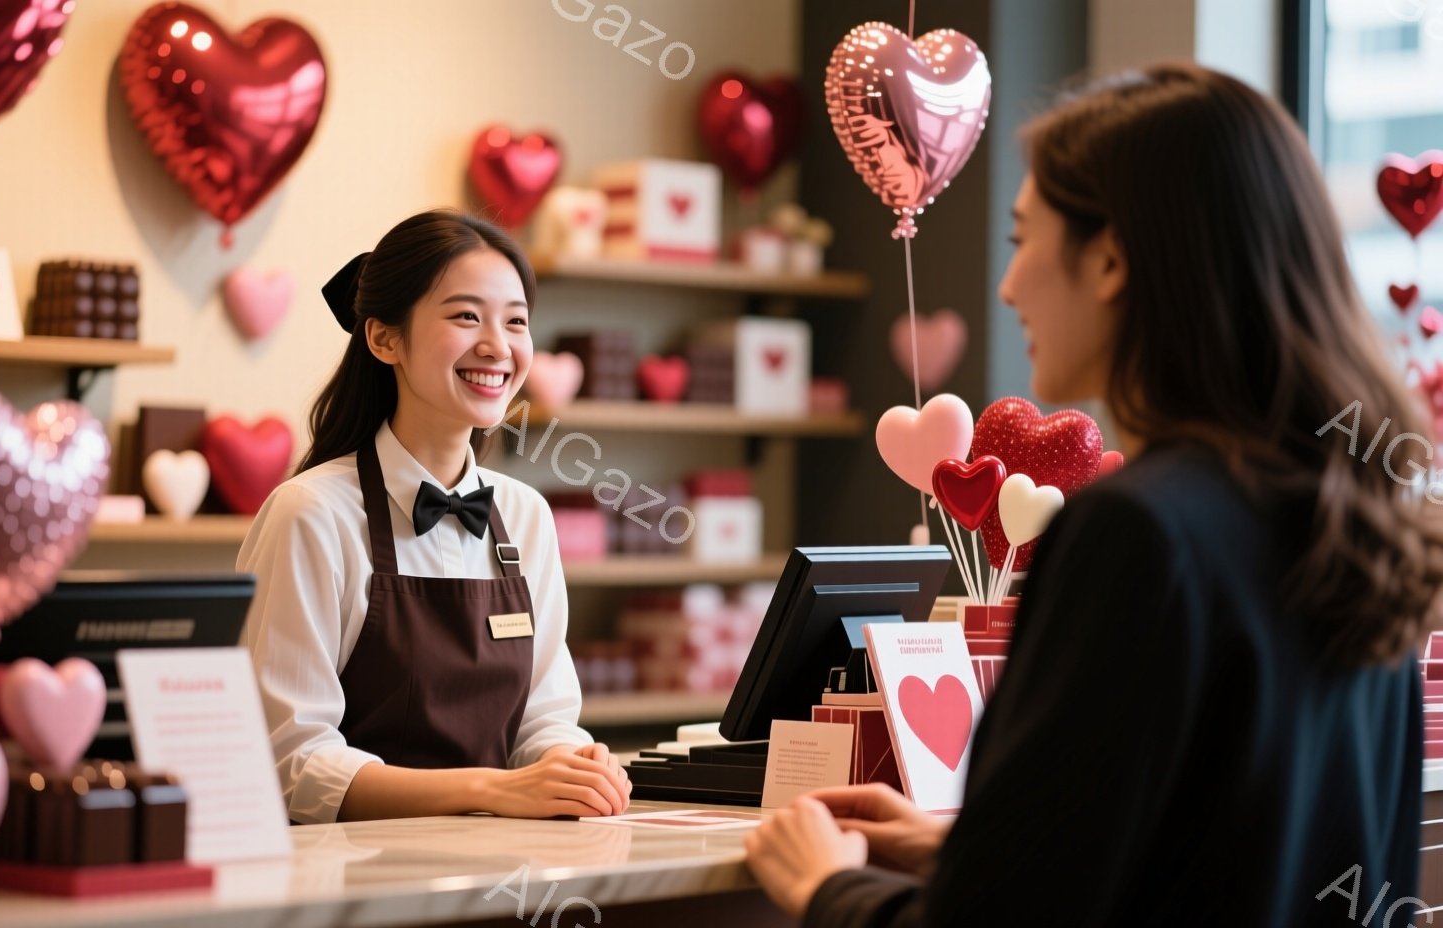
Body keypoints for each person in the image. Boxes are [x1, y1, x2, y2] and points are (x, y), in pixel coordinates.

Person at [745, 62, 1443, 926]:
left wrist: (828, 888)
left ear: (1111, 257)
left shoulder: (1136, 533)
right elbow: (1237, 846)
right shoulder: (1356, 518)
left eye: (1021, 240)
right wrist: (971, 853)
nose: (1007, 287)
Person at [238, 209, 631, 823]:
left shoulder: (525, 515)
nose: (497, 346)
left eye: (517, 321)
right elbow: (293, 764)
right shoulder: (311, 515)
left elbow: (545, 719)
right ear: (384, 338)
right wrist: (492, 791)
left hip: (502, 875)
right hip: (349, 887)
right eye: (466, 316)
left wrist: (575, 768)